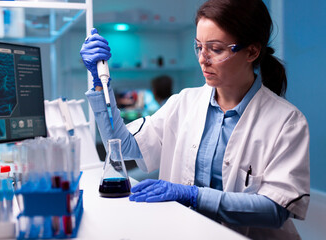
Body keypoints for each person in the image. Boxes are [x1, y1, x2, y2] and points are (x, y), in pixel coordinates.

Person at [80, 0, 310, 239]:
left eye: (216, 49)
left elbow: (276, 209)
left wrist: (193, 195)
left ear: (251, 51)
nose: (203, 58)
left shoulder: (287, 121)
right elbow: (122, 146)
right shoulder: (184, 102)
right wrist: (99, 84)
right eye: (199, 46)